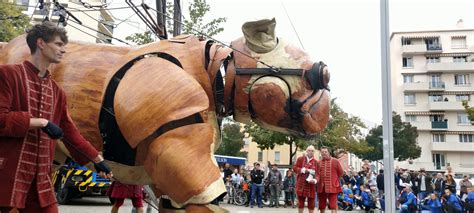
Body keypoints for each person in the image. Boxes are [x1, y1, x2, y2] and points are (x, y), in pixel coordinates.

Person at [0, 22, 113, 213]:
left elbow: (70, 134)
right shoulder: (8, 75)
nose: (63, 50)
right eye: (59, 44)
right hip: (9, 176)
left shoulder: (57, 91)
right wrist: (40, 122)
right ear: (41, 43)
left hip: (41, 179)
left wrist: (97, 160)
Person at [317, 146, 343, 213]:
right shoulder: (318, 162)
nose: (324, 153)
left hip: (333, 187)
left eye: (325, 152)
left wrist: (335, 181)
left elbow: (340, 173)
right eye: (322, 152)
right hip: (321, 187)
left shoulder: (335, 161)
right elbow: (317, 174)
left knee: (333, 205)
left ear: (329, 152)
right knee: (322, 205)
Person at [293, 145, 318, 213]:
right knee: (300, 204)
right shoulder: (300, 159)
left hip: (311, 186)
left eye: (312, 151)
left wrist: (315, 180)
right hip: (301, 185)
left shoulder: (316, 162)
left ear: (314, 152)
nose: (311, 152)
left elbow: (318, 174)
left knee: (311, 205)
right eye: (309, 150)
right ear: (306, 151)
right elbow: (295, 168)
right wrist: (303, 170)